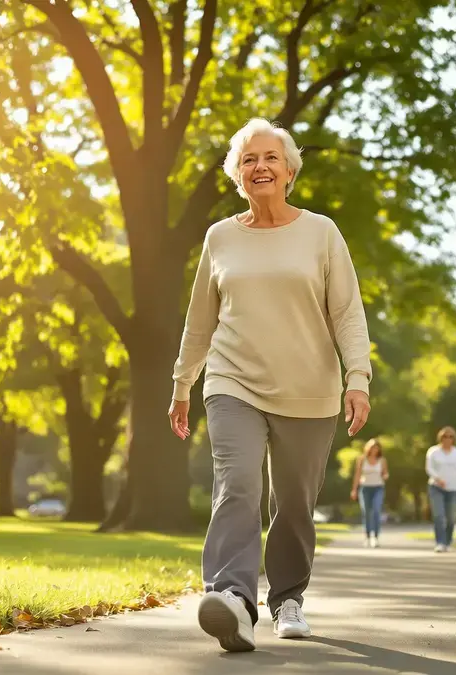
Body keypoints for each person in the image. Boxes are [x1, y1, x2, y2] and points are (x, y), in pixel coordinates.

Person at [168, 118, 373, 653]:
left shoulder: (321, 232)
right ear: (239, 175)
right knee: (237, 484)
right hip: (232, 380)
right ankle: (232, 598)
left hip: (310, 387)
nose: (259, 166)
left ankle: (287, 599)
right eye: (249, 160)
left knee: (294, 501)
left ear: (288, 170)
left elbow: (347, 313)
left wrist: (358, 379)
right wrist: (183, 382)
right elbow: (199, 320)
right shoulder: (221, 237)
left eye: (270, 158)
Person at [425, 426, 456, 553]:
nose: (447, 439)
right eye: (445, 436)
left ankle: (447, 541)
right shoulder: (433, 451)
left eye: (450, 436)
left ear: (454, 439)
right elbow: (429, 468)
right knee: (438, 515)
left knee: (451, 518)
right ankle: (440, 542)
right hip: (436, 488)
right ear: (440, 438)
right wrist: (438, 479)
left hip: (454, 489)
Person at [350, 439, 388, 548]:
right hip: (365, 488)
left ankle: (375, 537)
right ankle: (367, 537)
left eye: (377, 448)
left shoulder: (382, 460)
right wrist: (354, 490)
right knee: (366, 512)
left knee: (376, 511)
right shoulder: (362, 459)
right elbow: (357, 475)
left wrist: (385, 476)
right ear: (368, 448)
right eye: (372, 447)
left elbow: (385, 473)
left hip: (378, 488)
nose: (375, 449)